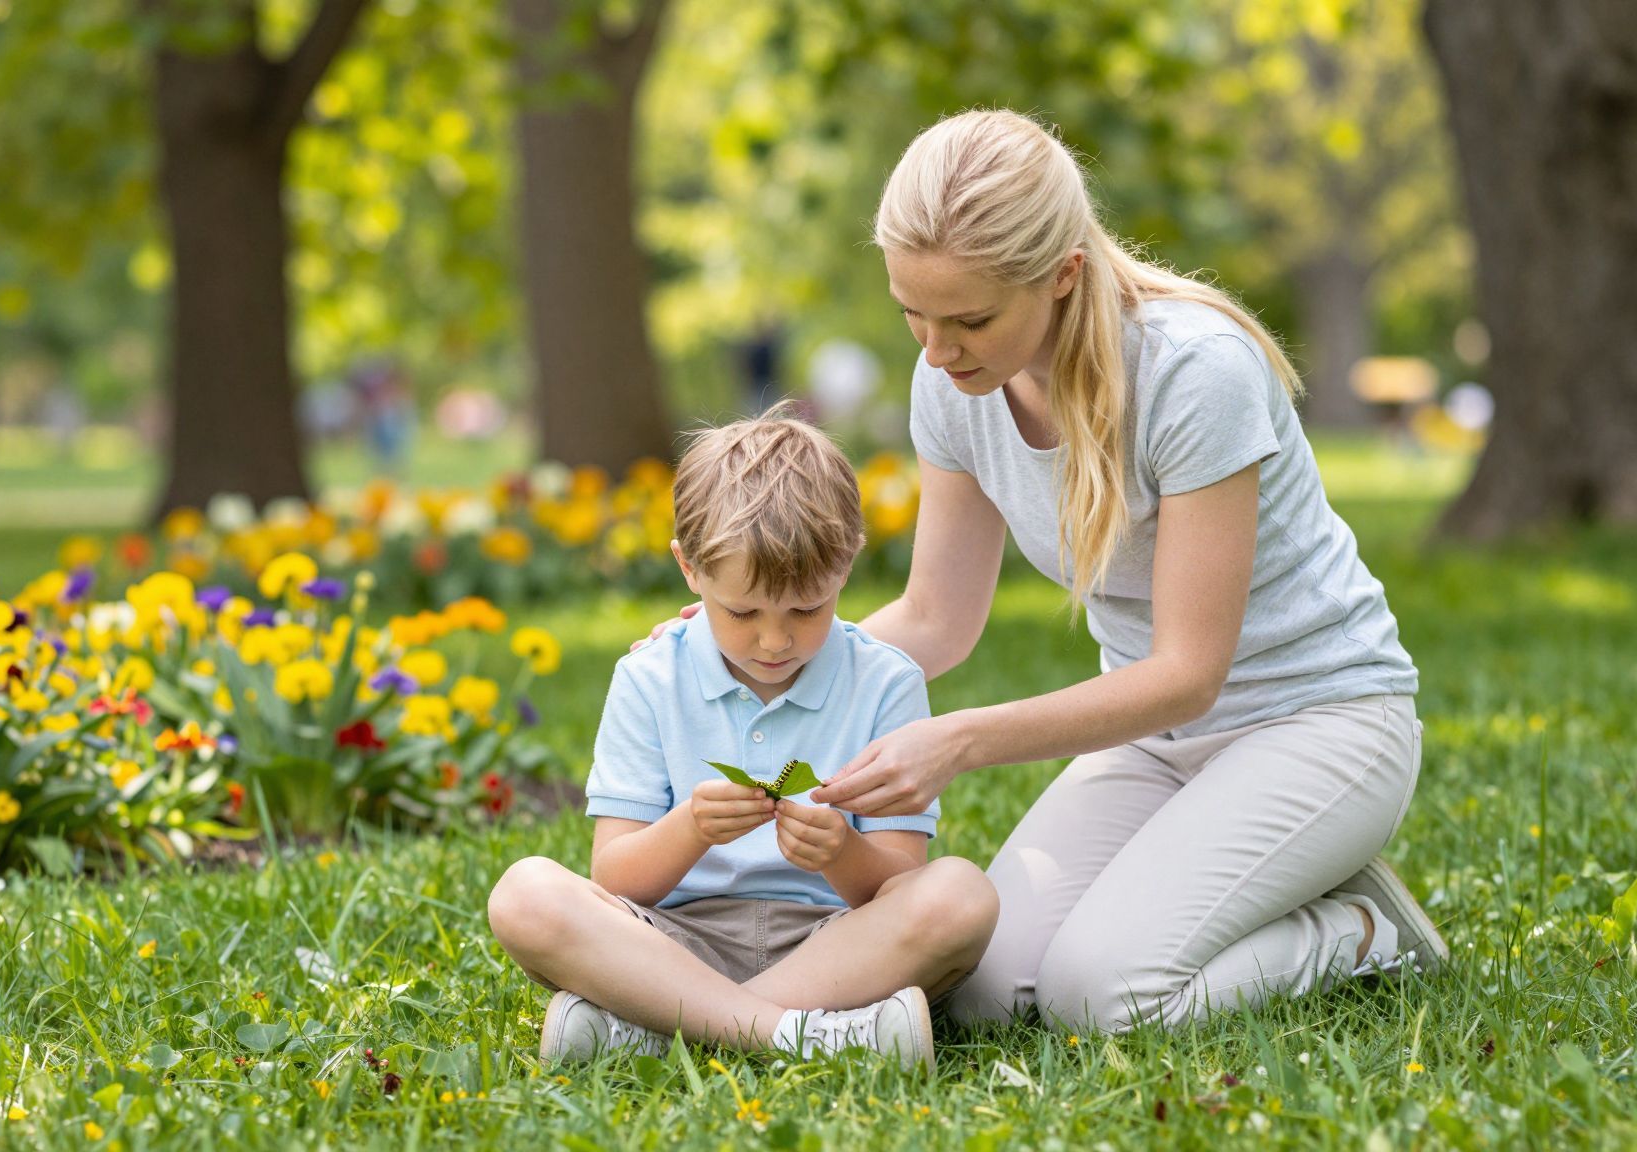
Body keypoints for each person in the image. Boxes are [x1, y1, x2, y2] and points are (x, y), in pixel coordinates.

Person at [643, 110, 1443, 1037]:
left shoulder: (1196, 373)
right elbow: (936, 618)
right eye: (913, 313)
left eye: (971, 319)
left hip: (1320, 723)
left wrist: (959, 740)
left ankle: (1358, 929)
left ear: (1063, 273)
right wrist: (743, 658)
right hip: (1153, 743)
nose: (936, 350)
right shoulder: (953, 384)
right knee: (982, 992)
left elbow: (1190, 675)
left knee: (1104, 996)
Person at [488, 407, 998, 1069]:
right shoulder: (649, 677)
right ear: (689, 568)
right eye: (742, 612)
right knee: (524, 895)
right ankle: (805, 1035)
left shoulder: (886, 682)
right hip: (672, 940)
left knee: (961, 896)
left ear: (848, 561)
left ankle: (657, 1027)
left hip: (833, 946)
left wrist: (841, 851)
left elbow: (900, 881)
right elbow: (616, 879)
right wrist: (691, 828)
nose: (775, 640)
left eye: (806, 609)